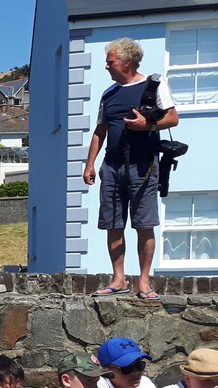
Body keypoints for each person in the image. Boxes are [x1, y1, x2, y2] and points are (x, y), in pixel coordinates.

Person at [83, 37, 179, 300]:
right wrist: (90, 164)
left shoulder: (154, 86)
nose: (106, 67)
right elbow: (99, 130)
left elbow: (173, 118)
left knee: (144, 224)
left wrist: (146, 126)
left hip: (143, 166)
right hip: (112, 166)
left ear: (126, 62)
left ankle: (144, 282)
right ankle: (118, 278)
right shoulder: (109, 93)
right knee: (113, 224)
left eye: (110, 62)